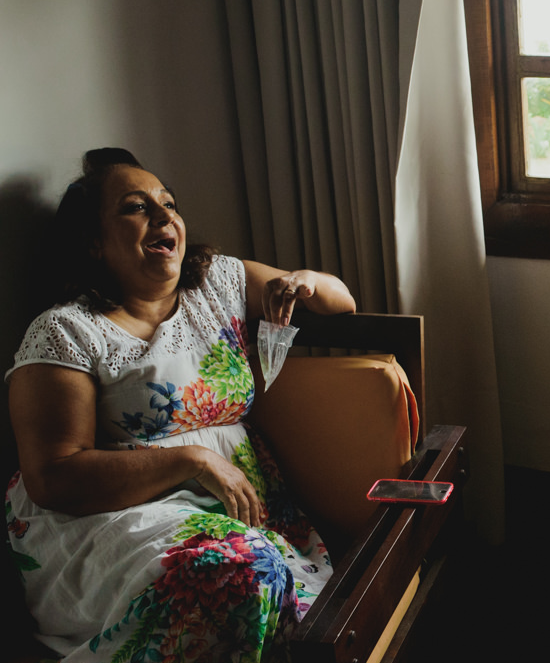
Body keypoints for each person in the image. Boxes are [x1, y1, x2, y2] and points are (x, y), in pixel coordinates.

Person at [5, 148, 356, 660]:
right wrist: (191, 459)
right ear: (94, 242)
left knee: (277, 593)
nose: (164, 215)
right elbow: (53, 476)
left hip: (234, 511)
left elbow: (341, 300)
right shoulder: (65, 332)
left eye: (168, 203)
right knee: (244, 576)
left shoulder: (216, 283)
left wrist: (303, 279)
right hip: (120, 520)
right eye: (135, 207)